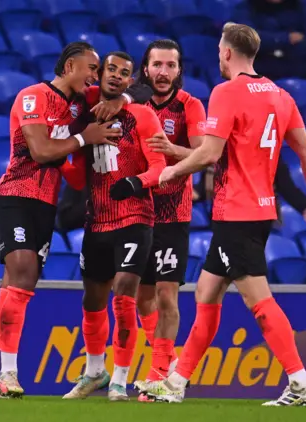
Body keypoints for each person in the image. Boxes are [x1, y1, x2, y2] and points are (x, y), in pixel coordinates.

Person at [136, 22, 306, 406]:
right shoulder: (280, 95)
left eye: (219, 53)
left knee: (259, 302)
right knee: (207, 293)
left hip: (237, 212)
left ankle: (300, 382)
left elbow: (209, 154)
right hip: (260, 208)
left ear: (226, 52)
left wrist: (171, 171)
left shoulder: (226, 92)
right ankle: (176, 382)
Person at [0, 42, 137, 399]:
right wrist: (85, 137)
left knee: (13, 291)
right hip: (14, 197)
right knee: (22, 276)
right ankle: (8, 374)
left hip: (45, 205)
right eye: (92, 68)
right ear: (71, 65)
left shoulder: (79, 104)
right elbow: (39, 151)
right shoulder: (32, 96)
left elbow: (125, 98)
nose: (96, 76)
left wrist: (120, 103)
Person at [60, 51, 167, 401]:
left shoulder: (142, 115)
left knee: (124, 293)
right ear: (101, 73)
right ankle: (95, 372)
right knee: (93, 300)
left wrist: (136, 183)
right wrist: (69, 153)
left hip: (135, 219)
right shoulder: (87, 107)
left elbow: (159, 168)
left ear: (129, 79)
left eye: (124, 73)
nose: (116, 76)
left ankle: (121, 378)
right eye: (111, 70)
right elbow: (77, 179)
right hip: (98, 221)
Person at [124, 39, 207, 401]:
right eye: (157, 65)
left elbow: (208, 155)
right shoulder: (134, 106)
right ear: (146, 69)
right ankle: (169, 363)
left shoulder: (190, 106)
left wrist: (174, 152)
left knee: (166, 295)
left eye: (170, 65)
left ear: (179, 70)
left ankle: (159, 373)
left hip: (173, 214)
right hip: (138, 212)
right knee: (142, 297)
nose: (163, 72)